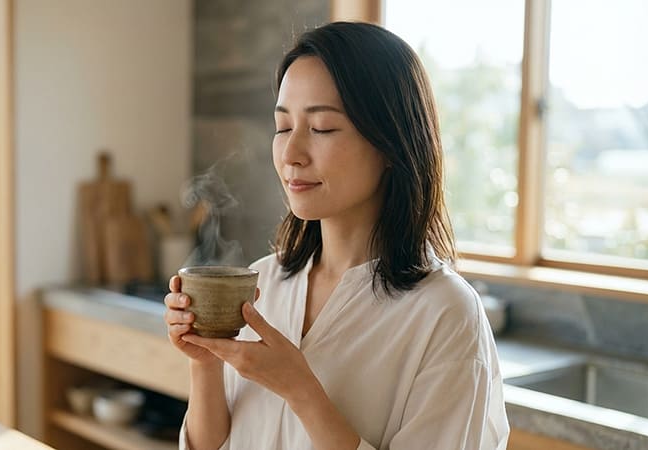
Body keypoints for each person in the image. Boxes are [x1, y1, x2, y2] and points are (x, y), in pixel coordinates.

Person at [164, 21, 510, 450]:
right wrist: (207, 362)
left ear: (390, 144)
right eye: (282, 127)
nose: (291, 154)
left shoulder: (446, 315)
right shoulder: (262, 283)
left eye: (322, 128)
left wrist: (302, 390)